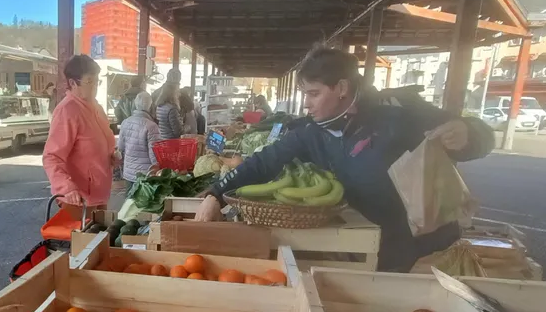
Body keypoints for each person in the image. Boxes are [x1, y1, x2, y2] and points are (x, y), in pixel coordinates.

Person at [195, 48, 495, 272]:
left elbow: (476, 135)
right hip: (379, 246)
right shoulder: (312, 132)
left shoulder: (398, 113)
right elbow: (263, 162)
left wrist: (469, 134)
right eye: (304, 94)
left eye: (313, 93)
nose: (306, 103)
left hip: (432, 252)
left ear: (341, 88)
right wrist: (215, 194)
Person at [43, 55, 118, 215]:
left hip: (99, 194)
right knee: (84, 239)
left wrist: (111, 156)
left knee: (101, 237)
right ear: (72, 83)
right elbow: (51, 157)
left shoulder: (96, 107)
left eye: (96, 81)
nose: (95, 87)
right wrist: (67, 188)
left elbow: (100, 142)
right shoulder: (68, 110)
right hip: (79, 200)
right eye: (89, 81)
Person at [117, 92, 160, 181]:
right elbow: (154, 154)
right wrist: (158, 170)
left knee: (129, 195)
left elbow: (120, 147)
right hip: (145, 175)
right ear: (150, 106)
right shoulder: (151, 126)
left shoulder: (125, 122)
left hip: (128, 172)